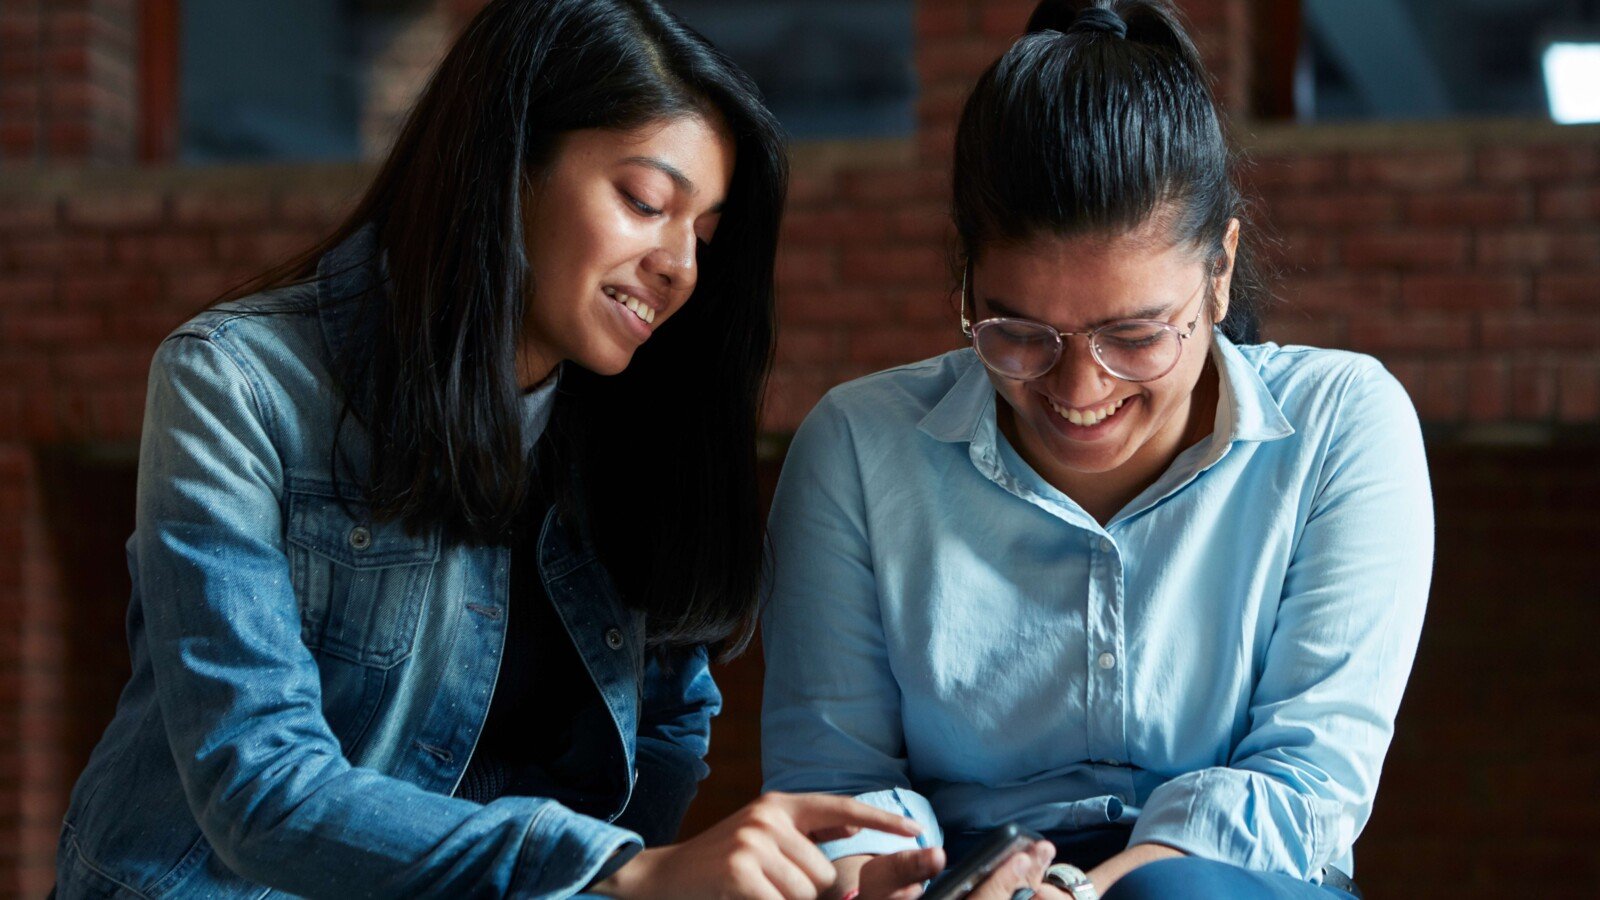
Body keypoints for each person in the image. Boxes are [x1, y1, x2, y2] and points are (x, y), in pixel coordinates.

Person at [54, 1, 934, 897]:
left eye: (702, 235)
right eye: (645, 202)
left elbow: (669, 722)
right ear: (510, 165)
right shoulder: (236, 383)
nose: (681, 266)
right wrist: (622, 875)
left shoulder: (632, 428)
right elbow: (260, 789)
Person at [760, 1, 1433, 898]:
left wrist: (1093, 892)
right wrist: (906, 882)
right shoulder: (857, 449)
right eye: (1019, 334)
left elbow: (1305, 783)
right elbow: (837, 787)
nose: (1079, 393)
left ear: (1219, 270)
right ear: (966, 281)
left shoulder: (1341, 427)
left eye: (1137, 335)